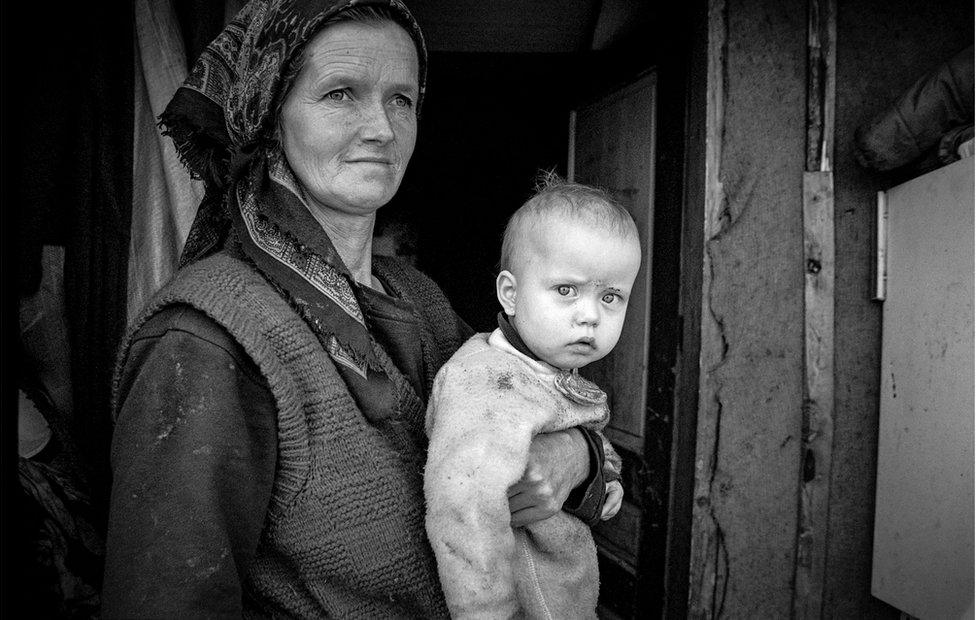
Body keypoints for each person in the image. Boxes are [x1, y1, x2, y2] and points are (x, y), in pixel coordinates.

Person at [101, 1, 612, 617]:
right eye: (341, 93)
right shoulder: (206, 340)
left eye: (402, 99)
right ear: (269, 117)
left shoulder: (417, 300)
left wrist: (574, 458)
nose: (382, 128)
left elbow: (535, 405)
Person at [424, 175, 639, 619]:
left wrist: (605, 477)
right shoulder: (488, 384)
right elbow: (464, 516)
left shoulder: (550, 370)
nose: (590, 316)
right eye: (566, 290)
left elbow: (585, 432)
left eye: (612, 297)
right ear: (511, 293)